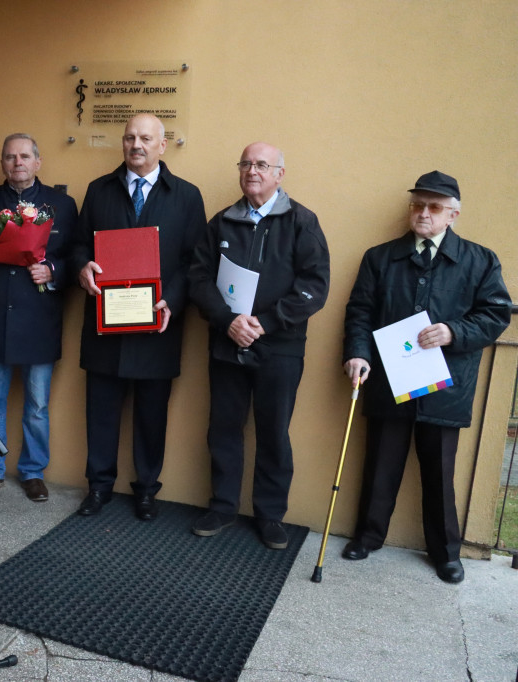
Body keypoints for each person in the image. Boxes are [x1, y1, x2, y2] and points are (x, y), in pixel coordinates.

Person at [341, 170, 510, 583]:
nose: (424, 213)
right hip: (389, 381)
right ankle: (368, 536)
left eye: (434, 207)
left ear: (453, 214)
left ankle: (446, 553)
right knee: (380, 465)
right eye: (417, 205)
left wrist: (453, 332)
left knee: (439, 472)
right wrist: (358, 354)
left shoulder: (480, 260)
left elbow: (495, 315)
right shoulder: (379, 257)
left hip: (445, 386)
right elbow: (360, 311)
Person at [188, 142, 330, 549]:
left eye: (262, 165)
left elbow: (314, 285)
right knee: (223, 428)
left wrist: (265, 323)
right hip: (226, 341)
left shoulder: (303, 222)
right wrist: (228, 321)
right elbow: (198, 278)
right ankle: (222, 506)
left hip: (280, 347)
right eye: (247, 164)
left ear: (279, 174)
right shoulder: (221, 222)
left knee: (274, 432)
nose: (253, 171)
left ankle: (270, 516)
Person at [72, 113, 206, 521]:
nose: (137, 145)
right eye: (130, 137)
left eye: (146, 138)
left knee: (152, 416)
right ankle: (98, 487)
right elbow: (79, 246)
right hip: (106, 326)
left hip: (158, 326)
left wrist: (173, 300)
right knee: (101, 413)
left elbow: (195, 261)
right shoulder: (99, 190)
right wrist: (82, 268)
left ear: (162, 145)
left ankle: (146, 490)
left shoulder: (186, 196)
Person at [0, 133, 78, 503]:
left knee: (38, 406)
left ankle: (33, 472)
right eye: (10, 157)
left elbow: (77, 254)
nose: (18, 163)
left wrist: (53, 270)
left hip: (40, 318)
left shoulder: (62, 204)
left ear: (38, 162)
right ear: (2, 163)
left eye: (25, 156)